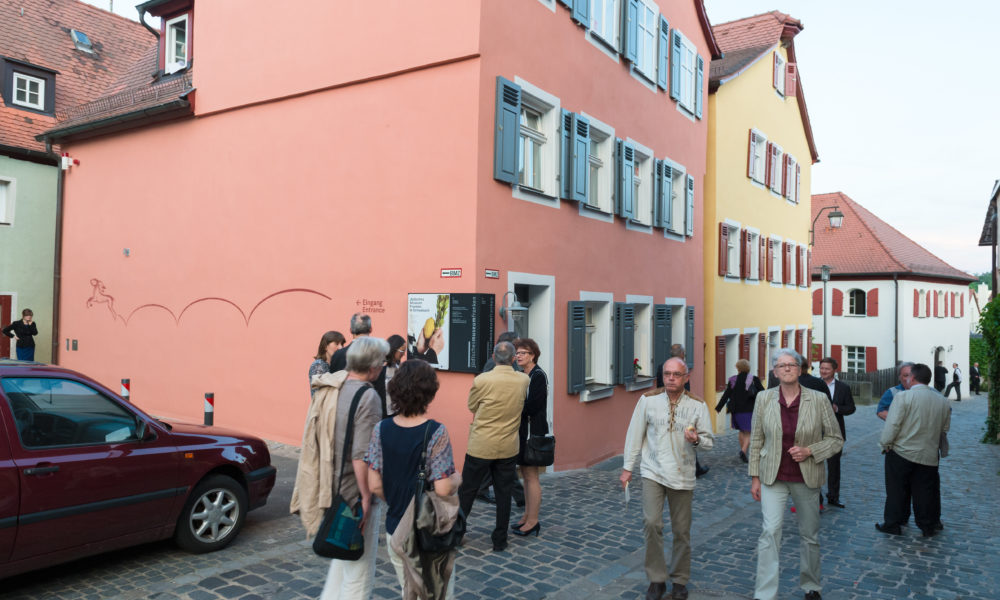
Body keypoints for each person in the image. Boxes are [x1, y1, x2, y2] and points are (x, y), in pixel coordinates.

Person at [748, 348, 843, 600]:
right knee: (770, 532)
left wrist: (811, 450)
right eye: (782, 365)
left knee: (809, 535)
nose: (787, 368)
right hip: (773, 476)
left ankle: (811, 586)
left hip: (806, 477)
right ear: (775, 372)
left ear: (800, 370)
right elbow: (757, 439)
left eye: (792, 364)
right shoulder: (764, 399)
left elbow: (835, 439)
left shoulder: (818, 399)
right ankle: (764, 593)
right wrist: (755, 477)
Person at [366, 360, 459, 599]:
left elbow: (374, 483)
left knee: (408, 591)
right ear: (429, 393)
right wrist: (457, 479)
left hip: (396, 529)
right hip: (427, 533)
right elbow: (442, 488)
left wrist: (399, 502)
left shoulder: (381, 429)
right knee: (438, 594)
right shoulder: (436, 431)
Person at [622, 358, 712, 600]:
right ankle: (656, 579)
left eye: (676, 374)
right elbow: (634, 433)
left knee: (682, 531)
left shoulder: (698, 405)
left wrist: (696, 440)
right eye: (667, 374)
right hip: (652, 470)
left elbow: (708, 443)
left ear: (686, 377)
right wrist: (628, 467)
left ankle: (680, 580)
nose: (671, 378)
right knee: (651, 523)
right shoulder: (648, 400)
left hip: (682, 474)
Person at [319, 336, 390, 599]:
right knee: (359, 568)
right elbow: (362, 455)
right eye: (382, 362)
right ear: (372, 367)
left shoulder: (336, 386)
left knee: (342, 556)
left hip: (333, 481)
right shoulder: (368, 396)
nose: (383, 367)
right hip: (353, 488)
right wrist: (367, 496)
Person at [457, 341, 529, 552]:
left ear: (493, 357)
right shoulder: (523, 380)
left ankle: (457, 534)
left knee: (467, 492)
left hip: (481, 443)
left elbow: (472, 406)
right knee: (504, 493)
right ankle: (500, 539)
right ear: (514, 358)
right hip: (508, 445)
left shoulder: (482, 380)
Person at [876, 363, 950, 538]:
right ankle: (927, 526)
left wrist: (885, 444)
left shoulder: (903, 397)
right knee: (925, 492)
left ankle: (893, 524)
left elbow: (893, 425)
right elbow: (945, 428)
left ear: (913, 377)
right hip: (929, 454)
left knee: (896, 490)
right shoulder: (942, 400)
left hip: (902, 452)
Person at [476, 331, 526, 508]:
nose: (518, 352)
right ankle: (520, 497)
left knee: (497, 461)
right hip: (498, 420)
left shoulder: (500, 363)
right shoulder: (497, 365)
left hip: (498, 421)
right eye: (516, 348)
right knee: (503, 461)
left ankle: (483, 490)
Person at [511, 337, 548, 537]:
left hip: (533, 433)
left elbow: (533, 406)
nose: (518, 356)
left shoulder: (538, 375)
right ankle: (526, 516)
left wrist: (513, 407)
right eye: (517, 353)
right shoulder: (522, 374)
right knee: (525, 475)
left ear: (533, 355)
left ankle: (533, 521)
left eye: (522, 353)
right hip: (522, 432)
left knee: (532, 476)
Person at [656, 344, 709, 478]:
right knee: (687, 437)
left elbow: (659, 389)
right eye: (684, 353)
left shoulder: (662, 367)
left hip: (666, 407)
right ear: (681, 354)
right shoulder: (682, 368)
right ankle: (693, 468)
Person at [331, 313, 388, 416]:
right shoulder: (377, 354)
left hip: (339, 413)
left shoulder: (337, 355)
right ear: (370, 329)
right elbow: (380, 389)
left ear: (350, 330)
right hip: (369, 412)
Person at [818, 357, 855, 509]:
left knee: (834, 467)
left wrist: (837, 408)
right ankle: (816, 497)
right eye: (821, 368)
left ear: (834, 370)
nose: (823, 371)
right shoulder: (814, 385)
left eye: (827, 369)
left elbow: (851, 408)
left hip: (835, 432)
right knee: (815, 465)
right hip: (815, 431)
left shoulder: (843, 387)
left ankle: (833, 496)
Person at [714, 359, 763, 463]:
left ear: (738, 368)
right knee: (749, 432)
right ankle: (743, 451)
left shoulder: (733, 380)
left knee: (742, 431)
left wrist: (719, 407)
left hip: (736, 410)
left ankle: (743, 452)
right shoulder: (754, 379)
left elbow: (726, 395)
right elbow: (763, 393)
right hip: (749, 409)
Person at [384, 334, 406, 415]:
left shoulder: (399, 367)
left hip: (396, 412)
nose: (404, 354)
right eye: (402, 350)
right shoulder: (382, 367)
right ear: (394, 348)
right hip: (385, 413)